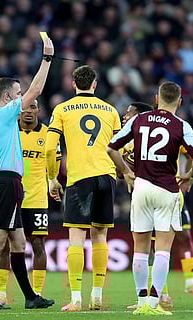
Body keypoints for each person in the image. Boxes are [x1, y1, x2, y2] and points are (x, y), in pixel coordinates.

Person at [107, 81, 193, 315]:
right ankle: (154, 303)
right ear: (179, 102)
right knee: (162, 250)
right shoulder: (182, 125)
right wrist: (189, 176)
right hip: (167, 190)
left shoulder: (138, 120)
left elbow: (111, 148)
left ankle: (141, 302)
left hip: (140, 187)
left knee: (140, 248)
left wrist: (128, 173)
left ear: (156, 98)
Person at [0, 35, 55, 310]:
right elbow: (35, 90)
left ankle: (31, 298)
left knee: (19, 242)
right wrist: (47, 59)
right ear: (8, 98)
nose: (24, 99)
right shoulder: (4, 114)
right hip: (6, 182)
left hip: (5, 182)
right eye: (18, 95)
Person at [45, 65, 122, 312]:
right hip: (106, 175)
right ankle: (97, 295)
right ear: (95, 85)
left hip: (80, 177)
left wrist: (52, 178)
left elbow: (49, 149)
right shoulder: (110, 110)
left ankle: (76, 298)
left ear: (73, 84)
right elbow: (118, 147)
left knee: (76, 237)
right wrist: (122, 173)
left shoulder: (62, 109)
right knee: (100, 236)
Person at [0, 99, 60, 305]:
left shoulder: (49, 134)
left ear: (39, 110)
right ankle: (1, 293)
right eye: (25, 108)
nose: (29, 112)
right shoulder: (9, 133)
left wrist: (52, 183)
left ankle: (36, 293)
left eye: (33, 107)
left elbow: (54, 164)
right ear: (18, 112)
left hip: (37, 198)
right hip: (12, 197)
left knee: (38, 244)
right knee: (3, 245)